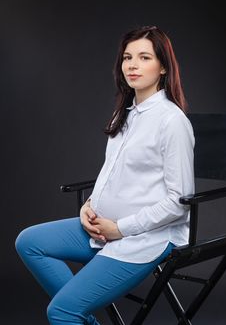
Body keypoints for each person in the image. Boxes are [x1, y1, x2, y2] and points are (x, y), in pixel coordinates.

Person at [15, 25, 195, 325]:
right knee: (29, 242)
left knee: (62, 311)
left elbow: (178, 203)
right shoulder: (123, 114)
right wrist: (89, 207)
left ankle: (74, 311)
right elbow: (110, 172)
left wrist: (120, 229)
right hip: (102, 227)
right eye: (127, 57)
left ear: (163, 66)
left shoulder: (171, 121)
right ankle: (80, 313)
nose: (133, 65)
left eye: (144, 57)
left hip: (145, 238)